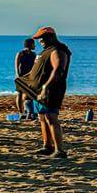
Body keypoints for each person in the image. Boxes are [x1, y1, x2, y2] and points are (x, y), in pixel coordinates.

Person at [26, 26, 71, 159]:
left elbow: (58, 70)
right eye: (38, 38)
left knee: (51, 116)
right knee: (42, 117)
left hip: (52, 89)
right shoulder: (46, 51)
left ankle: (59, 150)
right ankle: (47, 146)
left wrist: (46, 87)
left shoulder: (58, 50)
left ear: (51, 37)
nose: (40, 41)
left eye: (42, 38)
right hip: (38, 90)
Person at [15, 38, 37, 119]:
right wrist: (18, 75)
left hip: (30, 77)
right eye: (34, 44)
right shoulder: (20, 53)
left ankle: (28, 111)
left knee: (29, 94)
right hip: (21, 76)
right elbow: (16, 65)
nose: (35, 46)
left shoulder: (34, 54)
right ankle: (21, 112)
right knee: (20, 94)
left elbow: (35, 66)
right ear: (30, 44)